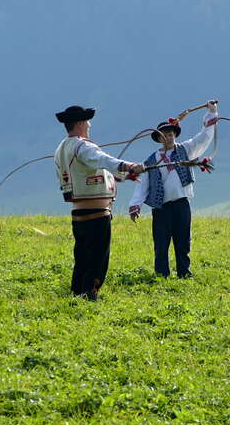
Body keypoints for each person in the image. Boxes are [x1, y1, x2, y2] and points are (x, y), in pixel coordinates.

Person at [55, 105, 145, 301]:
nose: (89, 124)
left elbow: (92, 170)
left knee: (82, 257)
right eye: (87, 121)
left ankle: (77, 293)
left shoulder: (62, 147)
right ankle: (90, 293)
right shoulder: (83, 146)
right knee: (97, 258)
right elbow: (102, 159)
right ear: (80, 123)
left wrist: (123, 175)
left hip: (78, 214)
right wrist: (128, 166)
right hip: (95, 214)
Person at [128, 100, 220, 278]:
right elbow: (143, 184)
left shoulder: (186, 150)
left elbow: (204, 137)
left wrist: (212, 112)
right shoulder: (151, 160)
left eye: (170, 134)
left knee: (183, 240)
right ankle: (161, 274)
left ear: (175, 135)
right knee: (161, 243)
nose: (168, 137)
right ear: (158, 139)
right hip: (161, 208)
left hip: (182, 204)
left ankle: (184, 273)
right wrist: (135, 205)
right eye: (164, 135)